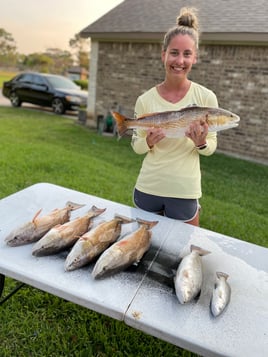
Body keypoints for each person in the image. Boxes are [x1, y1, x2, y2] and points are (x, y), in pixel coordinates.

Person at [131, 7, 218, 227]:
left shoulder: (206, 98)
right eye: (174, 53)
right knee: (141, 253)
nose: (179, 60)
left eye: (187, 54)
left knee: (184, 253)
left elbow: (210, 147)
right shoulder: (145, 100)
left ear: (194, 58)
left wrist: (200, 143)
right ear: (164, 55)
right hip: (148, 186)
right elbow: (137, 147)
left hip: (184, 190)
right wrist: (148, 141)